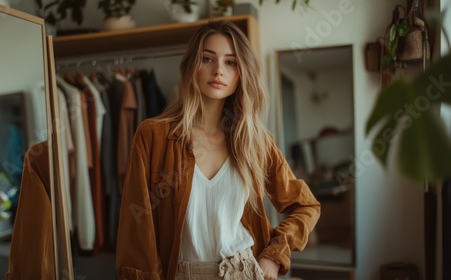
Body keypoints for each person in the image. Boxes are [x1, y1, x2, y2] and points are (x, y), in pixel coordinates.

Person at [115, 20, 320, 280]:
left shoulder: (255, 141)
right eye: (207, 59)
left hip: (244, 271)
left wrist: (274, 255)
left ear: (241, 72)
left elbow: (306, 205)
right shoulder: (152, 136)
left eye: (230, 62)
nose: (218, 71)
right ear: (192, 66)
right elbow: (136, 235)